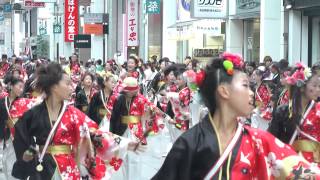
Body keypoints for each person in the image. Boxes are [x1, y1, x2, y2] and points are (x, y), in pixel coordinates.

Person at [153, 52, 320, 179]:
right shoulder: (190, 142)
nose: (251, 93)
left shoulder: (259, 140)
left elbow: (298, 168)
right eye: (245, 85)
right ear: (224, 91)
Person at [12, 63, 143, 179]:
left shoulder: (73, 114)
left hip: (68, 169)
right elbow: (20, 133)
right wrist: (28, 152)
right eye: (68, 84)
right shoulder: (34, 113)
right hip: (42, 168)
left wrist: (126, 144)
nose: (72, 87)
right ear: (54, 86)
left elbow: (94, 133)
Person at [269, 63, 320, 166]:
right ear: (301, 87)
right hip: (289, 164)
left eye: (319, 86)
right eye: (314, 85)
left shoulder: (318, 109)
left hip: (315, 165)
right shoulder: (282, 111)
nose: (318, 89)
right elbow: (272, 140)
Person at [0, 75, 34, 180]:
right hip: (4, 137)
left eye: (22, 87)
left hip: (18, 139)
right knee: (5, 166)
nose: (21, 89)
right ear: (11, 86)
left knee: (13, 167)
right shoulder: (2, 101)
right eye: (19, 86)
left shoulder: (23, 102)